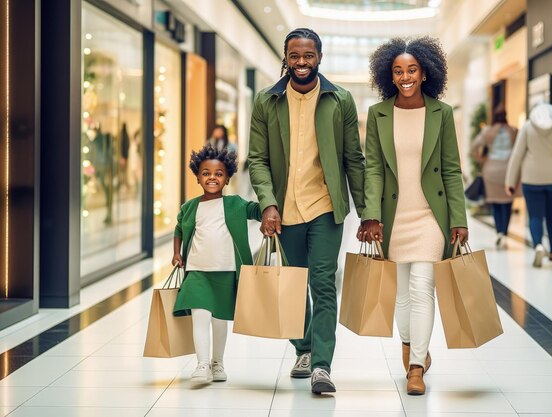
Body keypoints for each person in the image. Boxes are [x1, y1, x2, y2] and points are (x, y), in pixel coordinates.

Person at [248, 27, 365, 394]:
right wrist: (268, 202)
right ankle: (303, 347)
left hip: (326, 209)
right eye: (295, 56)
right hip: (284, 210)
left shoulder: (340, 99)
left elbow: (354, 159)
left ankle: (321, 366)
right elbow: (257, 159)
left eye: (308, 55)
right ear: (286, 57)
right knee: (295, 286)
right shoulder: (267, 101)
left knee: (323, 283)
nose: (301, 62)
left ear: (319, 57)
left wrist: (368, 212)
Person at [358, 36, 468, 396]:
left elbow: (451, 169)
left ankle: (416, 367)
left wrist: (458, 219)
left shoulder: (442, 113)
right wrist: (370, 214)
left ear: (425, 73)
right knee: (401, 295)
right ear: (388, 75)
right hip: (392, 217)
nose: (405, 77)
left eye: (412, 70)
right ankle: (409, 344)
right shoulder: (378, 114)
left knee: (422, 288)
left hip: (430, 217)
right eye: (398, 71)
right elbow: (373, 167)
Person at [171, 145, 261, 384]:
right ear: (198, 177)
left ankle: (217, 362)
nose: (212, 177)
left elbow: (257, 211)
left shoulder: (236, 204)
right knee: (199, 315)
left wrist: (271, 205)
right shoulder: (190, 207)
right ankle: (202, 363)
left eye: (218, 174)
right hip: (198, 271)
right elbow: (179, 228)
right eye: (206, 173)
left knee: (220, 320)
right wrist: (177, 253)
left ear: (228, 178)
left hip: (226, 271)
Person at [505, 102, 552, 267]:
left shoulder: (527, 127)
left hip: (532, 180)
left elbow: (517, 155)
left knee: (535, 216)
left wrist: (510, 181)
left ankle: (538, 245)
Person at [470, 104, 518, 249]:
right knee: (507, 202)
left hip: (491, 170)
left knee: (496, 203)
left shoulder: (488, 132)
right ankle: (504, 232)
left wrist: (480, 158)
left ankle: (498, 232)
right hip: (508, 171)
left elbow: (474, 146)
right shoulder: (514, 131)